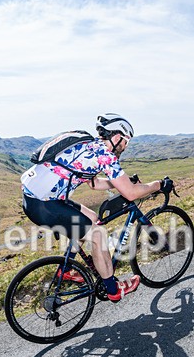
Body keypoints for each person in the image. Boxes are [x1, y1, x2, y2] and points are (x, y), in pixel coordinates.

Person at [20, 113, 171, 302]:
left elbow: (94, 184)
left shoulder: (90, 146)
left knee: (91, 218)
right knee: (98, 235)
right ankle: (113, 289)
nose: (125, 147)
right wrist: (158, 184)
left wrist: (120, 183)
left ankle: (65, 271)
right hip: (44, 204)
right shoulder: (105, 156)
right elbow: (131, 194)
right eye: (126, 142)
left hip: (39, 197)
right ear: (117, 137)